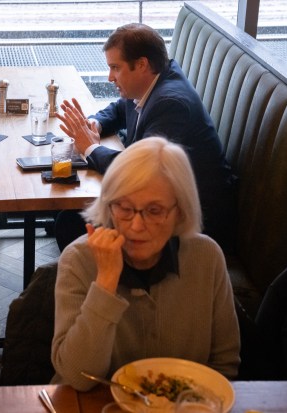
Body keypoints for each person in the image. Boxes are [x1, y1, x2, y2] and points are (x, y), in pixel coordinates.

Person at [51, 137, 240, 391]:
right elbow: (77, 378)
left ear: (181, 211)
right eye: (125, 208)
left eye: (154, 211)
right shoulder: (78, 260)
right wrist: (106, 282)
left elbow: (224, 366)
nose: (136, 226)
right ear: (108, 206)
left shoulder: (206, 257)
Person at [54, 23, 236, 253]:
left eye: (115, 68)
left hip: (192, 220)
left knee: (70, 222)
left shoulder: (171, 105)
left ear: (141, 65)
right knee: (66, 211)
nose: (110, 77)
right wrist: (94, 124)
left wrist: (90, 148)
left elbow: (141, 174)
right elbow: (120, 109)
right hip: (162, 203)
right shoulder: (150, 83)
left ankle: (111, 282)